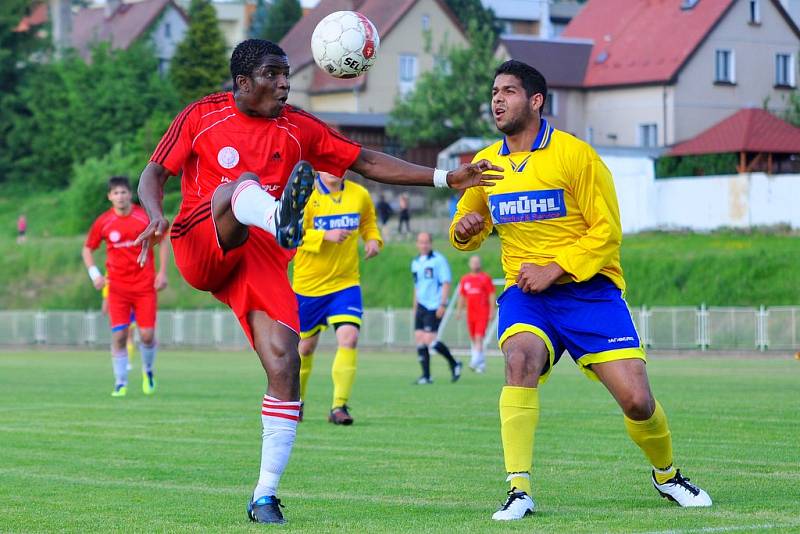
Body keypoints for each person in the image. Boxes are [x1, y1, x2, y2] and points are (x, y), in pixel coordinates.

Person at [135, 39, 500, 524]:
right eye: (272, 74)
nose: (284, 83)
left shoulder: (298, 128)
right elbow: (154, 173)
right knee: (235, 184)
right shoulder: (204, 114)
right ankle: (277, 213)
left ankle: (264, 494)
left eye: (287, 74)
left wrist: (444, 178)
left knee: (285, 366)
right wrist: (155, 215)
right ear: (243, 82)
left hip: (262, 255)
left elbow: (365, 161)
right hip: (202, 236)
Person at [449, 60, 711, 521]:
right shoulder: (484, 166)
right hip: (527, 295)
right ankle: (518, 490)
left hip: (592, 294)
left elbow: (607, 231)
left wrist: (557, 267)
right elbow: (465, 227)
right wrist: (465, 228)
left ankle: (667, 476)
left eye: (509, 91)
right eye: (494, 91)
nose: (497, 99)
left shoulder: (576, 156)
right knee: (519, 359)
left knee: (637, 400)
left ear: (535, 101)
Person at [294, 171, 382, 426]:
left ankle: (339, 406)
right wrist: (324, 235)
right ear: (319, 167)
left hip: (345, 283)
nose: (336, 168)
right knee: (305, 348)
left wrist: (373, 240)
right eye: (329, 163)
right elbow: (290, 232)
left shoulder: (359, 194)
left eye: (341, 163)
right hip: (308, 287)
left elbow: (368, 222)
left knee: (349, 337)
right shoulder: (305, 196)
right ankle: (296, 402)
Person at [82, 176, 169, 397]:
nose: (120, 197)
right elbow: (87, 249)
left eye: (123, 192)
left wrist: (162, 272)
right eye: (115, 193)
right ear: (109, 197)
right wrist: (95, 275)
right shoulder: (104, 222)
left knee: (147, 335)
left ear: (130, 194)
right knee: (119, 336)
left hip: (144, 285)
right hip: (118, 288)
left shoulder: (143, 216)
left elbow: (163, 239)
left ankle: (148, 371)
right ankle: (120, 382)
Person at [411, 232, 461, 384]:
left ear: (431, 243)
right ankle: (426, 376)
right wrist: (415, 306)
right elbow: (417, 286)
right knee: (420, 339)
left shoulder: (439, 260)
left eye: (426, 242)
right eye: (421, 242)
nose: (423, 245)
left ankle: (454, 363)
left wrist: (443, 304)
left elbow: (446, 282)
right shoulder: (415, 262)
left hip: (434, 305)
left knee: (430, 340)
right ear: (417, 244)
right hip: (421, 305)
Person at [456, 255, 495, 373]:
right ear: (469, 264)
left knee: (479, 337)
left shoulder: (485, 278)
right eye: (473, 262)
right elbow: (462, 296)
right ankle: (481, 363)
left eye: (477, 262)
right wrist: (458, 311)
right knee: (474, 338)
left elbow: (491, 294)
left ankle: (474, 362)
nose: (475, 264)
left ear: (480, 264)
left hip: (482, 312)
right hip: (470, 313)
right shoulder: (465, 279)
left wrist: (492, 311)